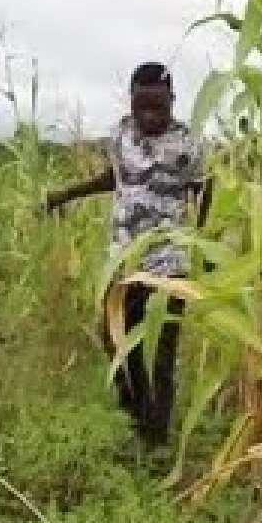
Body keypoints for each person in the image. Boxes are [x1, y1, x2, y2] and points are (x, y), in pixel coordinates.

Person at [43, 62, 212, 448]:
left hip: (168, 262)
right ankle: (132, 416)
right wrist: (66, 194)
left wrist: (201, 242)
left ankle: (156, 438)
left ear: (172, 100)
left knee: (161, 352)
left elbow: (205, 189)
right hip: (123, 259)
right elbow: (115, 178)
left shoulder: (189, 144)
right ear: (131, 101)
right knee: (115, 338)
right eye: (142, 106)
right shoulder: (121, 134)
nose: (150, 115)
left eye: (158, 107)